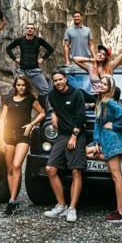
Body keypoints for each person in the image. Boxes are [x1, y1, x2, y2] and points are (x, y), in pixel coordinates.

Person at [86, 74, 122, 223]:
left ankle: (121, 213)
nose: (101, 86)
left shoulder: (109, 101)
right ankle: (110, 158)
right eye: (100, 83)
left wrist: (114, 125)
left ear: (110, 88)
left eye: (104, 84)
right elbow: (97, 125)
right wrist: (96, 142)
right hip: (104, 141)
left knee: (116, 177)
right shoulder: (100, 102)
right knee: (84, 151)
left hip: (113, 140)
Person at [43, 71, 87, 223]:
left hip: (76, 134)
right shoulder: (52, 95)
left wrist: (74, 136)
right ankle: (61, 205)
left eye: (60, 79)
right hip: (62, 135)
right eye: (55, 80)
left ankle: (72, 208)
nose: (58, 82)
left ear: (66, 79)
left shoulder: (77, 94)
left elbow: (81, 117)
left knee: (75, 171)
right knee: (50, 169)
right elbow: (53, 107)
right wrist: (53, 112)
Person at [1, 73, 45, 216]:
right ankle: (13, 199)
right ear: (15, 86)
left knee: (17, 165)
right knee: (9, 169)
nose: (21, 87)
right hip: (8, 135)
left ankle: (12, 201)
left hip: (23, 136)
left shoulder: (30, 99)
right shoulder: (7, 99)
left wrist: (31, 125)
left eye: (23, 85)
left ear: (27, 86)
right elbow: (1, 121)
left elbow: (42, 113)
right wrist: (0, 139)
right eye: (18, 85)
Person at [4, 22, 54, 94]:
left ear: (34, 30)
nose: (29, 29)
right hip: (22, 71)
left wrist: (42, 58)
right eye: (28, 28)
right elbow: (8, 48)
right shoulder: (20, 40)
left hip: (35, 71)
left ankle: (44, 105)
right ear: (25, 30)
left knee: (46, 90)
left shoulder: (38, 40)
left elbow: (50, 49)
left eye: (31, 28)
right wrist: (14, 59)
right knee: (11, 91)